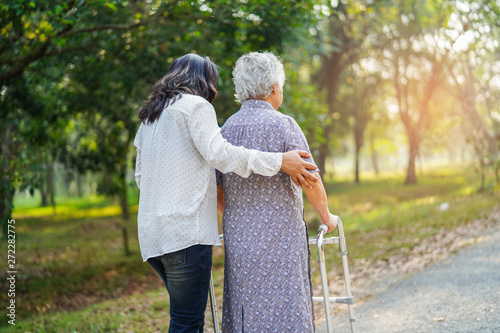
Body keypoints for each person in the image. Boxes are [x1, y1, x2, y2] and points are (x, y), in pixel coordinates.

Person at [133, 53, 319, 333]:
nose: (214, 90)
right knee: (187, 323)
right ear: (203, 80)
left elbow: (140, 178)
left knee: (184, 319)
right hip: (185, 234)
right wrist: (279, 161)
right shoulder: (196, 107)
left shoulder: (150, 117)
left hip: (152, 238)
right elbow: (220, 155)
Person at [216, 51, 338, 332]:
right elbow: (311, 181)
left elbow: (218, 191)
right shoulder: (284, 125)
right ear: (273, 89)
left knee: (247, 307)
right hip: (281, 238)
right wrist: (327, 216)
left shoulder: (224, 132)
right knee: (287, 306)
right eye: (280, 85)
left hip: (240, 241)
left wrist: (241, 217)